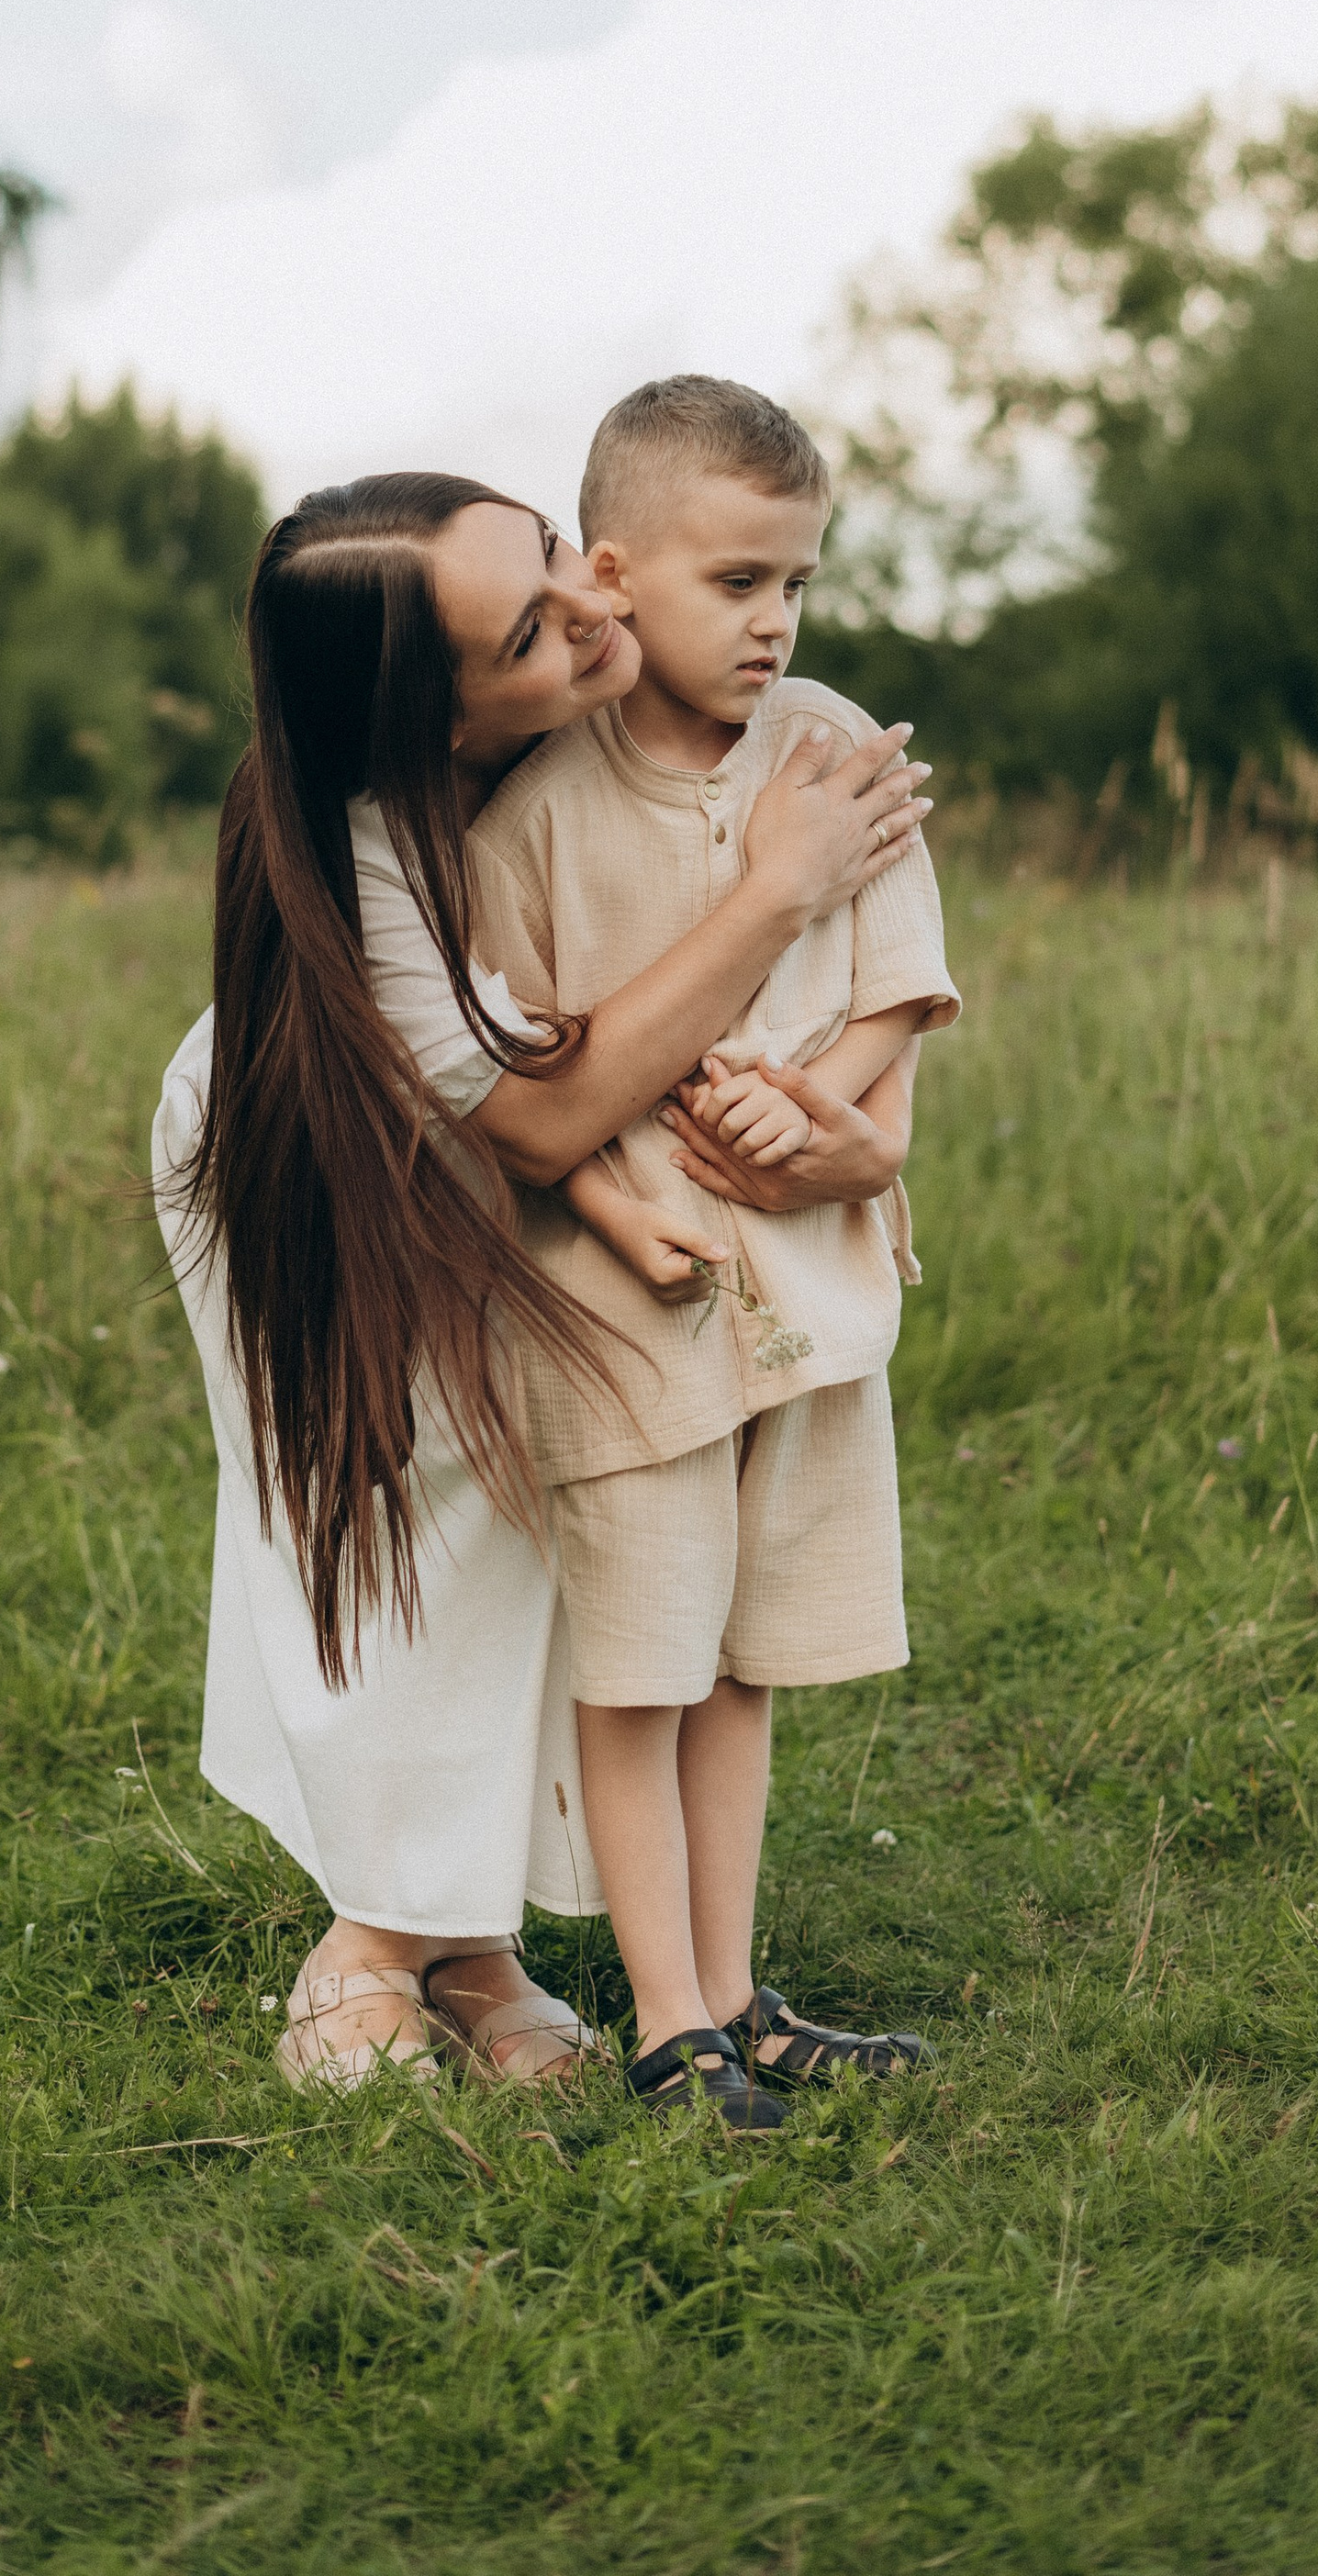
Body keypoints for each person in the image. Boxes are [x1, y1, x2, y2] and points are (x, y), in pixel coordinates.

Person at [152, 471, 930, 2094]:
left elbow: (583, 1063)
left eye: (561, 561)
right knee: (399, 1501)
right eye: (531, 627)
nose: (594, 610)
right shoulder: (373, 852)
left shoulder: (597, 723)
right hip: (329, 1169)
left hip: (527, 1151)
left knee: (541, 1517)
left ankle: (480, 1943)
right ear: (442, 719)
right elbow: (549, 1100)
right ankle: (375, 1932)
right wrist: (774, 887)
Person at [470, 379, 958, 2130]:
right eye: (735, 581)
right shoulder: (532, 808)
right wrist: (623, 1200)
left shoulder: (830, 743)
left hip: (808, 1299)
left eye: (797, 586)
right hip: (625, 1317)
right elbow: (511, 1069)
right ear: (615, 571)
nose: (772, 623)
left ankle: (743, 2001)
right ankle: (667, 2020)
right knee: (644, 1662)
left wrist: (816, 1099)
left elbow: (902, 980)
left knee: (745, 1664)